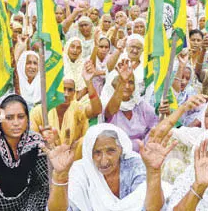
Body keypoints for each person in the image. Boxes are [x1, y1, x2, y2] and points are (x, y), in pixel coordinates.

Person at [46, 123, 177, 211]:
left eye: (111, 151)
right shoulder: (81, 171)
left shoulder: (134, 165)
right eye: (97, 152)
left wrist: (154, 172)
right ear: (88, 153)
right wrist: (60, 176)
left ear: (121, 149)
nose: (104, 160)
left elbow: (152, 208)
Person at [30, 61, 102, 160]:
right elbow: (33, 142)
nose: (66, 94)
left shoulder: (77, 108)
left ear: (74, 92)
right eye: (62, 89)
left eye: (70, 90)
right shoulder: (39, 111)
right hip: (46, 163)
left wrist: (89, 82)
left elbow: (96, 111)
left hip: (73, 161)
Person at [102, 59, 157, 152]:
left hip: (142, 154)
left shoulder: (140, 105)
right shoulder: (109, 105)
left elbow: (154, 126)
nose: (127, 86)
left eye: (130, 82)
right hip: (116, 156)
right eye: (121, 82)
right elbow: (110, 111)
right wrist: (122, 81)